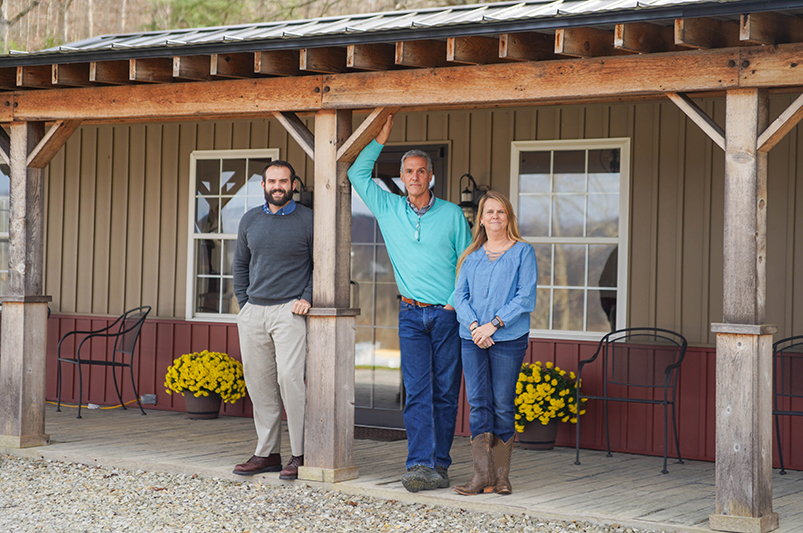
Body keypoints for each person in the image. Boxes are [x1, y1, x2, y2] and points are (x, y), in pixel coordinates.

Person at [348, 115, 472, 493]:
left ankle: (440, 464)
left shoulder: (451, 214)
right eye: (408, 171)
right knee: (417, 391)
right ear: (402, 177)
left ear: (431, 176)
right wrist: (378, 140)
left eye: (421, 171)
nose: (415, 177)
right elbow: (357, 175)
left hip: (446, 315)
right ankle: (419, 464)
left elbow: (467, 263)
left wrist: (453, 304)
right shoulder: (388, 208)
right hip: (410, 313)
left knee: (445, 392)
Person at [231, 160, 313, 481]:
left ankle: (300, 453)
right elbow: (240, 264)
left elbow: (320, 263)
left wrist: (306, 296)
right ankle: (267, 454)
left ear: (293, 184)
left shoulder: (308, 219)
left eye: (283, 181)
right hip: (255, 310)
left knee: (290, 380)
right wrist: (244, 304)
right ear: (263, 185)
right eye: (271, 181)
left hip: (290, 310)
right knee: (259, 383)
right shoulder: (249, 219)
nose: (277, 186)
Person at [452, 191, 537, 496]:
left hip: (508, 338)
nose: (495, 217)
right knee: (478, 405)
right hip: (472, 338)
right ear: (481, 219)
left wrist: (494, 324)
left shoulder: (522, 252)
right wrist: (475, 326)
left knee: (502, 404)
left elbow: (525, 297)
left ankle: (501, 476)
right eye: (490, 212)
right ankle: (481, 476)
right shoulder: (470, 257)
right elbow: (458, 297)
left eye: (501, 212)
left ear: (508, 217)